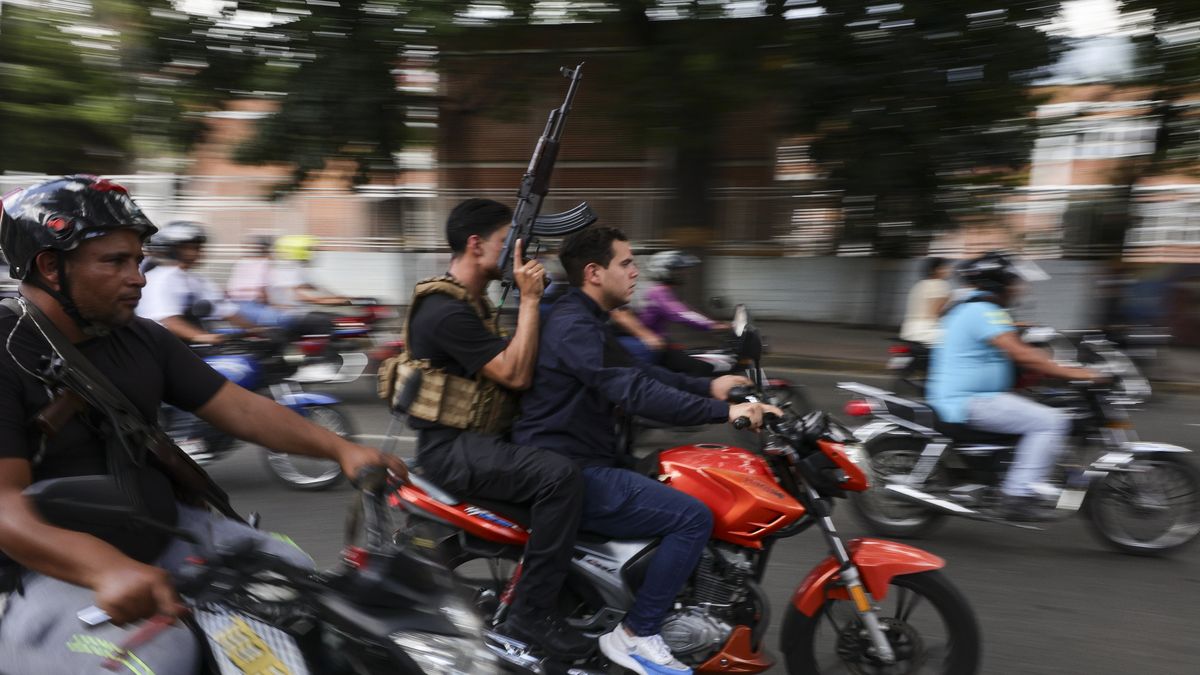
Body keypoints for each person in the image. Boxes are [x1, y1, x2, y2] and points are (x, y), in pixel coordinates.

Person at [0, 175, 406, 674]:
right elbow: (4, 505)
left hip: (171, 535)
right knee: (157, 662)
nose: (139, 278)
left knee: (311, 596)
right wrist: (105, 569)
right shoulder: (7, 353)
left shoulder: (141, 338)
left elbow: (237, 406)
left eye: (138, 259)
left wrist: (341, 450)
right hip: (57, 571)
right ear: (49, 266)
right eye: (115, 261)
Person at [512, 226, 779, 675]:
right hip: (572, 468)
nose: (636, 272)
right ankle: (637, 635)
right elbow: (633, 391)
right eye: (626, 263)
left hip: (591, 457)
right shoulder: (573, 324)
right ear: (594, 273)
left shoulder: (587, 319)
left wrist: (710, 385)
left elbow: (640, 372)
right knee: (692, 517)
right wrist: (723, 412)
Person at [399, 198, 592, 660]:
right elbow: (515, 374)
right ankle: (531, 615)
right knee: (560, 477)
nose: (514, 255)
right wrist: (529, 297)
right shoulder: (446, 311)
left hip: (475, 441)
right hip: (452, 451)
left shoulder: (470, 303)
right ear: (474, 244)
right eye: (507, 244)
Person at [927, 251, 1104, 522]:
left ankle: (1012, 477)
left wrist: (1051, 369)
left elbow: (1014, 347)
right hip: (968, 401)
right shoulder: (983, 310)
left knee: (1042, 408)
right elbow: (1020, 353)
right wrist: (1077, 373)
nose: (1020, 287)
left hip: (970, 396)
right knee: (1050, 421)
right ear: (999, 283)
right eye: (1015, 281)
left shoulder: (975, 307)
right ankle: (1018, 493)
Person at [137, 221, 255, 344]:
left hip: (188, 346)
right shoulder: (159, 279)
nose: (197, 252)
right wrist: (203, 337)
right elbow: (167, 319)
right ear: (171, 249)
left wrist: (255, 330)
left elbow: (225, 310)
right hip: (161, 347)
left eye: (198, 247)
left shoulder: (197, 280)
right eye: (190, 248)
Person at [226, 233, 283, 326]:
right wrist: (274, 306)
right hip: (251, 305)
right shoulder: (265, 264)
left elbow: (230, 289)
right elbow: (263, 293)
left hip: (232, 304)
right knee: (282, 320)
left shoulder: (241, 261)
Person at [899, 257, 952, 347]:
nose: (949, 270)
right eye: (945, 267)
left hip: (908, 330)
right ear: (937, 270)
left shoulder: (919, 284)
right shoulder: (941, 285)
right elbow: (935, 313)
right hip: (927, 332)